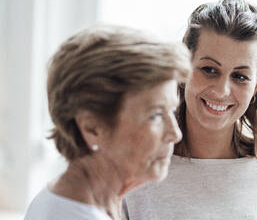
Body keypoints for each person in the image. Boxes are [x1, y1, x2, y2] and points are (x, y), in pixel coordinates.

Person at [122, 0, 257, 220]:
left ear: (254, 88)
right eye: (209, 69)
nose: (221, 90)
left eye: (240, 76)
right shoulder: (134, 169)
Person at [24, 24, 191, 220]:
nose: (175, 133)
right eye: (155, 115)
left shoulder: (72, 199)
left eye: (171, 110)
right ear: (92, 127)